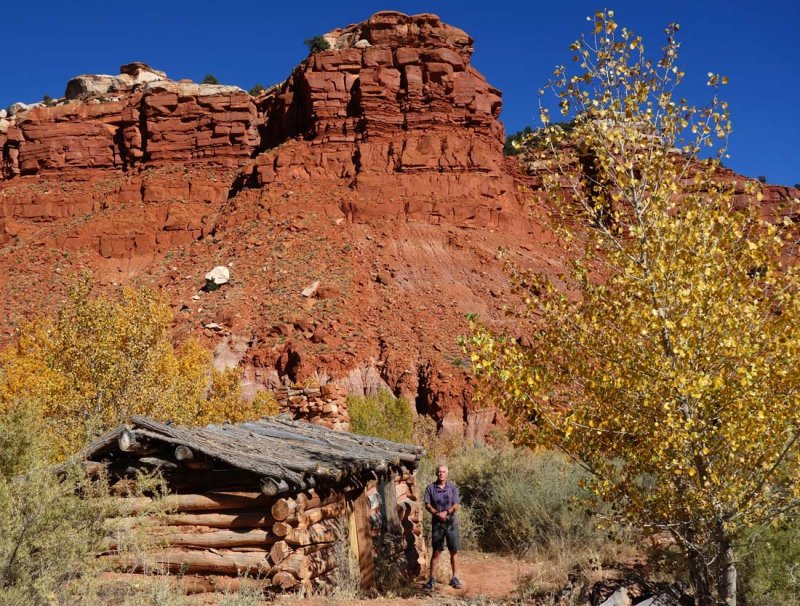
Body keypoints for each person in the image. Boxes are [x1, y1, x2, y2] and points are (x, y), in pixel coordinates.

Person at [423, 464, 462, 590]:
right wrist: (436, 513)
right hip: (437, 524)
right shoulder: (430, 488)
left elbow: (456, 504)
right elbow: (427, 504)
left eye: (443, 472)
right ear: (436, 473)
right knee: (436, 551)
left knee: (454, 551)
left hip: (451, 523)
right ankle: (432, 580)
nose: (441, 474)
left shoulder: (453, 488)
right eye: (439, 472)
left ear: (447, 474)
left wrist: (447, 512)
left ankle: (455, 578)